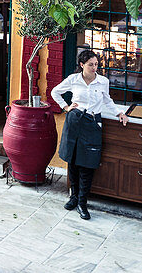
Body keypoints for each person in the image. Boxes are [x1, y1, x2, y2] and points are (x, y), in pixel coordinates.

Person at [50, 48, 128, 220]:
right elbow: (55, 92)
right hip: (74, 120)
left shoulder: (103, 81)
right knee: (73, 161)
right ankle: (73, 197)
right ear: (82, 65)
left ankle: (82, 203)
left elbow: (107, 100)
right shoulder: (73, 79)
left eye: (96, 65)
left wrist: (119, 113)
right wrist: (66, 107)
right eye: (91, 65)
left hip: (92, 123)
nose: (94, 68)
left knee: (88, 164)